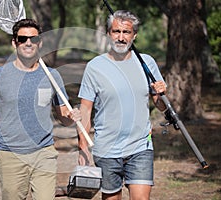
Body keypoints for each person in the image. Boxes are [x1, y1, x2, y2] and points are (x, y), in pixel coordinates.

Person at [0, 18, 81, 200]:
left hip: (44, 153)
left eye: (34, 39)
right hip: (10, 155)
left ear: (40, 42)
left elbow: (64, 118)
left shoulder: (52, 76)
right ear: (14, 42)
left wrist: (72, 116)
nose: (28, 43)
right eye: (22, 39)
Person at [77, 10, 167, 200]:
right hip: (107, 148)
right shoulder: (95, 66)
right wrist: (83, 147)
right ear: (109, 33)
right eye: (116, 31)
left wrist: (162, 95)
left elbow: (161, 107)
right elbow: (85, 109)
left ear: (134, 35)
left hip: (140, 146)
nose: (120, 37)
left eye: (126, 32)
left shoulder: (147, 63)